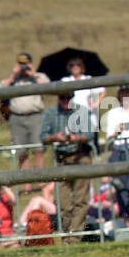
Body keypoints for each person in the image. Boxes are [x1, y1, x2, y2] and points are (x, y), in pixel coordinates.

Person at [40, 92, 94, 242]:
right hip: (62, 159)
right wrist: (55, 138)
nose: (65, 101)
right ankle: (68, 235)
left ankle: (75, 237)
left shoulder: (81, 111)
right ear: (58, 98)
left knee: (80, 200)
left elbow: (89, 134)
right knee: (63, 202)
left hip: (80, 156)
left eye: (68, 98)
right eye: (62, 98)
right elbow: (43, 136)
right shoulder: (50, 113)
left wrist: (77, 138)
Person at [0, 53, 50, 168]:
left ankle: (41, 179)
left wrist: (34, 74)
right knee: (21, 152)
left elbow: (49, 86)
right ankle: (27, 184)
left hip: (36, 116)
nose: (24, 67)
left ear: (31, 63)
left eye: (26, 64)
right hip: (17, 117)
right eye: (21, 64)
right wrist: (13, 76)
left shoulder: (38, 77)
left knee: (39, 149)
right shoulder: (13, 80)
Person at [101, 84, 129, 225]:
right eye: (123, 96)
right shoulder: (114, 113)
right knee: (121, 188)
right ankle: (128, 224)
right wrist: (118, 130)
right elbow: (109, 138)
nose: (126, 98)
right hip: (119, 151)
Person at [60, 56, 104, 140]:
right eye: (72, 65)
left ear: (82, 67)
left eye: (78, 65)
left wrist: (96, 103)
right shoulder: (65, 80)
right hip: (71, 115)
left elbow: (102, 90)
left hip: (88, 115)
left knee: (91, 140)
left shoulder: (88, 79)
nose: (75, 67)